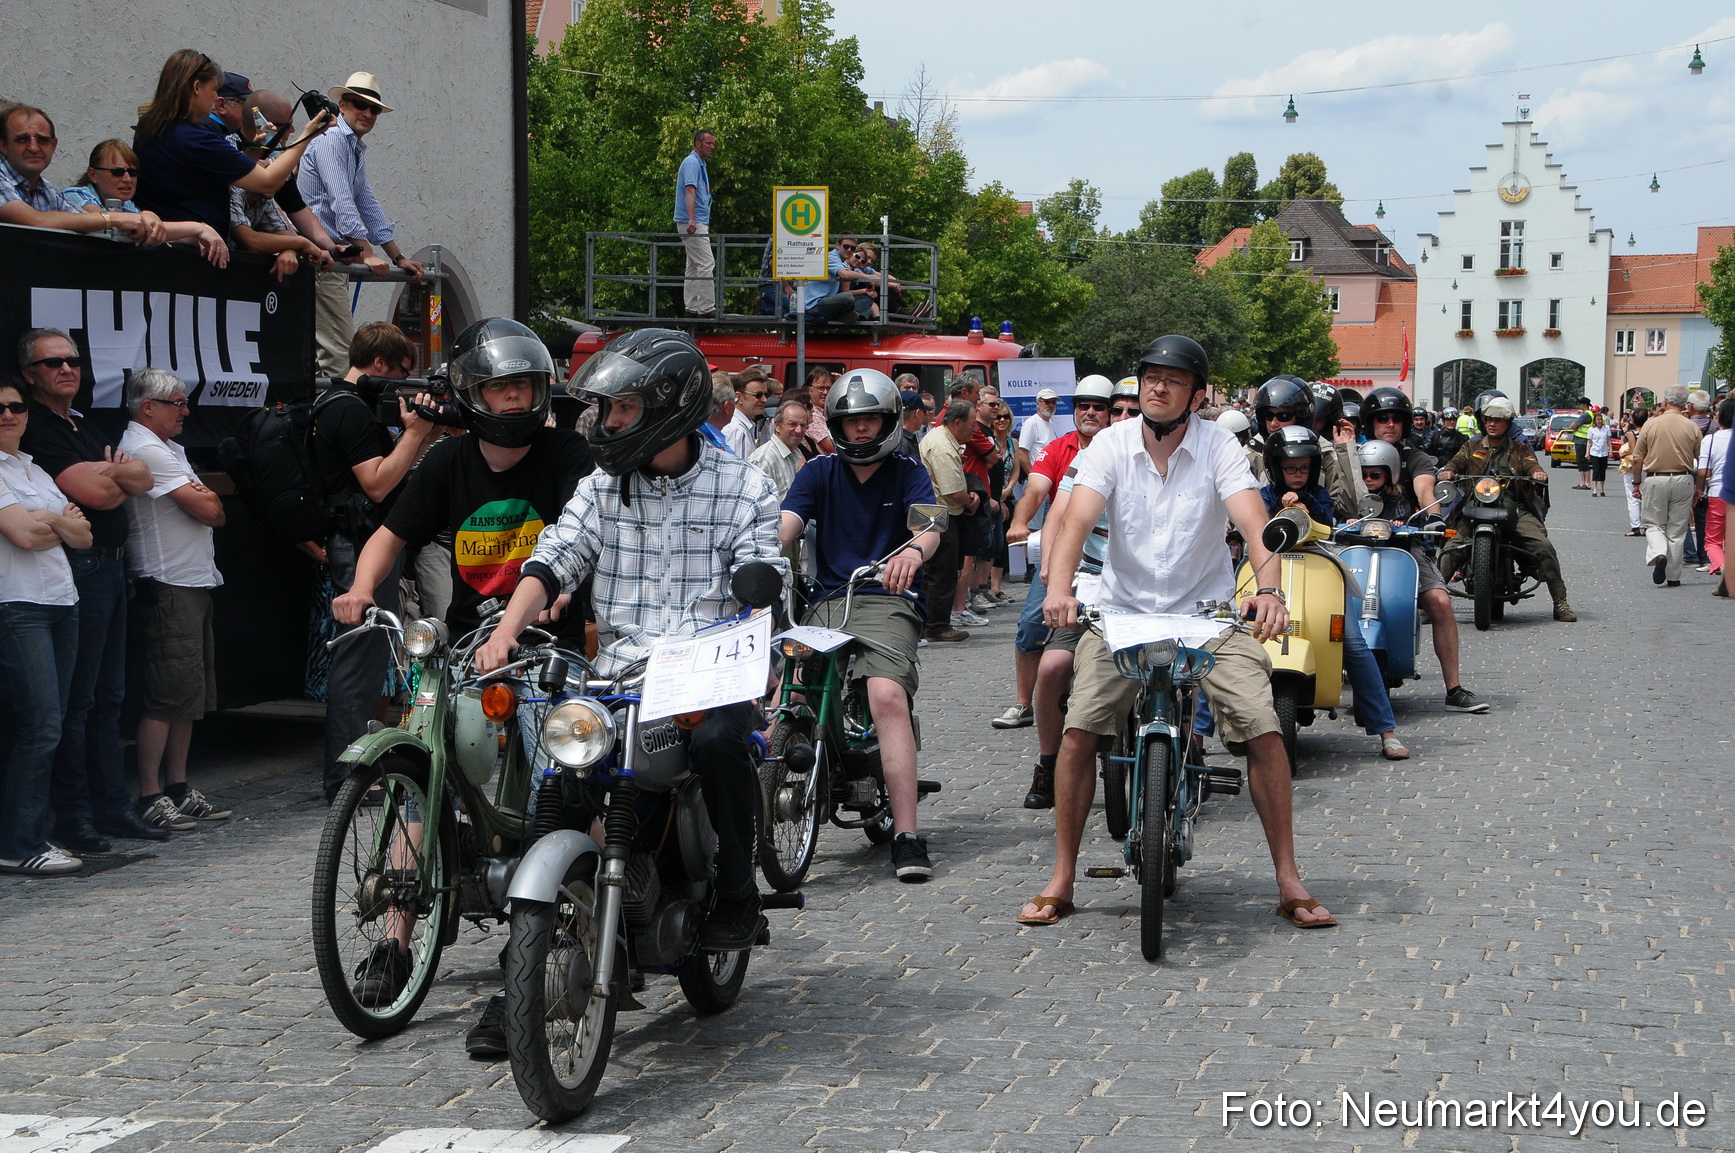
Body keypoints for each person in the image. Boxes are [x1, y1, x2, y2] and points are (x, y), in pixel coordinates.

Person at [474, 327, 784, 949]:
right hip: (620, 674)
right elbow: (554, 557)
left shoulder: (744, 487)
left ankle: (736, 891)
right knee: (558, 783)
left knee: (723, 743)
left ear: (670, 406)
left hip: (707, 672)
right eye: (607, 409)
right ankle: (522, 961)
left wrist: (758, 606)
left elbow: (764, 574)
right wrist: (506, 632)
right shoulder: (602, 486)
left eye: (622, 408)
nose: (608, 423)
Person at [332, 319, 591, 1053]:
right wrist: (358, 585)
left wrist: (566, 592)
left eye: (524, 386)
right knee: (419, 768)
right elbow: (393, 533)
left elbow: (583, 531)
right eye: (499, 387)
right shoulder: (447, 461)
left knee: (552, 784)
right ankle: (394, 940)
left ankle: (527, 960)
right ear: (472, 393)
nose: (513, 400)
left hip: (546, 645)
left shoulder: (565, 453)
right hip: (466, 643)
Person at [1020, 335, 1334, 931]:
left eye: (1174, 379)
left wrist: (1267, 591)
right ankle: (1061, 875)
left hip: (1208, 612)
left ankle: (1289, 878)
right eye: (1150, 377)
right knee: (1081, 727)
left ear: (1196, 393)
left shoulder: (1219, 446)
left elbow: (1250, 518)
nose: (1159, 387)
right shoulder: (1109, 444)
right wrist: (1059, 590)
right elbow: (1077, 519)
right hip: (1122, 611)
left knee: (1264, 729)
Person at [780, 369, 941, 881]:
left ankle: (908, 835)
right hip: (828, 598)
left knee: (886, 695)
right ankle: (762, 807)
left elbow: (930, 525)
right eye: (852, 423)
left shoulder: (908, 469)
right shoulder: (817, 472)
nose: (862, 431)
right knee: (792, 693)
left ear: (888, 420)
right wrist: (760, 553)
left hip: (886, 597)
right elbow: (788, 522)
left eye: (871, 420)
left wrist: (914, 551)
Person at [17, 330, 169, 846]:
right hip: (78, 569)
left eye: (74, 360)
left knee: (110, 697)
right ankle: (76, 816)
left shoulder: (82, 423)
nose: (66, 369)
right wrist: (117, 474)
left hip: (113, 567)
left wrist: (118, 475)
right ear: (29, 374)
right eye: (52, 362)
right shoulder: (33, 425)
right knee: (77, 702)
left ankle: (111, 806)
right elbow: (97, 495)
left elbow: (143, 479)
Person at [312, 322, 441, 802]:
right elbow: (378, 483)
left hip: (362, 540)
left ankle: (358, 772)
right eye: (403, 372)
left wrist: (420, 438)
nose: (406, 385)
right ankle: (348, 777)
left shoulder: (342, 404)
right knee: (357, 663)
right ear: (380, 364)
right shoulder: (348, 409)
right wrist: (418, 433)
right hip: (358, 542)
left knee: (366, 665)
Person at [1008, 378, 1137, 806]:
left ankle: (1186, 743)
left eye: (1127, 412)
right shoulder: (1084, 458)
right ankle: (1048, 761)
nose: (1118, 420)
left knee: (1188, 670)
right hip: (1091, 584)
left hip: (1149, 594)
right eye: (1112, 411)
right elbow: (1055, 507)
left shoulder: (1173, 459)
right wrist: (1051, 569)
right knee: (1051, 667)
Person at [117, 369, 232, 830]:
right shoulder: (146, 449)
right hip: (167, 582)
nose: (186, 412)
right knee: (165, 695)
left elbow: (211, 507)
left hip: (192, 579)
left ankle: (178, 787)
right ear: (149, 407)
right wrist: (203, 497)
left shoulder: (168, 449)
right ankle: (150, 793)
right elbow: (211, 509)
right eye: (178, 404)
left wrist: (204, 498)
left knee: (189, 692)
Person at [1261, 428, 1408, 760]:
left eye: (1302, 468)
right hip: (1268, 568)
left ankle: (1387, 731)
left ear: (1313, 468)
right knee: (1229, 636)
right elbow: (1250, 526)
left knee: (1354, 644)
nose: (1296, 474)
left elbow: (1328, 523)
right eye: (1289, 468)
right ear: (1276, 468)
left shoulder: (1320, 497)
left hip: (1319, 565)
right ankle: (1198, 736)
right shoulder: (1263, 496)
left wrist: (1302, 508)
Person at [0, 376, 92, 876]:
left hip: (61, 598)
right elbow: (22, 535)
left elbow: (83, 535)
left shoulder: (32, 468)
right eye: (0, 409)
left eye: (16, 407)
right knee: (40, 726)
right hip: (18, 603)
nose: (9, 415)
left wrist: (50, 519)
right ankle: (20, 842)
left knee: (56, 720)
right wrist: (58, 519)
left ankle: (31, 833)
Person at [1359, 386, 1508, 691]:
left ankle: (1453, 688)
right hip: (1355, 547)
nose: (1390, 425)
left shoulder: (1416, 458)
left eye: (1396, 419)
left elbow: (1425, 487)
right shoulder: (1352, 454)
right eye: (1382, 419)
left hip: (1403, 544)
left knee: (1440, 602)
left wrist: (1435, 515)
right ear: (1370, 423)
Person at [997, 375, 1114, 739]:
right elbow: (1035, 491)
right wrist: (1019, 520)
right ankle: (1024, 702)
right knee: (1033, 624)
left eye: (1099, 407)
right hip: (1066, 559)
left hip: (1115, 566)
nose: (1090, 412)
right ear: (1074, 410)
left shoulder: (1123, 449)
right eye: (1083, 405)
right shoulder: (1058, 448)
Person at [133, 51, 331, 244]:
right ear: (196, 87)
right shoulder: (196, 138)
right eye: (213, 89)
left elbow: (198, 179)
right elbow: (268, 183)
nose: (215, 97)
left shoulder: (149, 128)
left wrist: (253, 151)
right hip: (191, 255)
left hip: (159, 247)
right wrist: (307, 136)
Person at [299, 70, 422, 376]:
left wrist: (397, 256)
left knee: (325, 351)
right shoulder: (332, 139)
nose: (367, 113)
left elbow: (367, 204)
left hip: (329, 258)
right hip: (321, 258)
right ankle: (333, 419)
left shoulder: (350, 145)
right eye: (358, 105)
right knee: (337, 352)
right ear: (342, 105)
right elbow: (343, 202)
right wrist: (366, 252)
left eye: (374, 109)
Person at [1439, 395, 1576, 619]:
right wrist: (1449, 470)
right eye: (1488, 419)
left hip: (1515, 508)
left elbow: (1533, 465)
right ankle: (1428, 604)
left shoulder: (1520, 449)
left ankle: (1560, 602)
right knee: (1450, 548)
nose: (1492, 424)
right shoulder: (1471, 445)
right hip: (1475, 505)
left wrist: (1537, 473)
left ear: (1508, 423)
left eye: (1498, 420)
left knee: (1542, 546)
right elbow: (1456, 461)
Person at [1, 106, 166, 244]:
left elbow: (89, 223)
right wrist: (114, 218)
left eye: (43, 140)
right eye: (22, 139)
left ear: (53, 146)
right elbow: (36, 222)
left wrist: (147, 217)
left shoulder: (45, 189)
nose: (34, 147)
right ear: (3, 145)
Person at [62, 139, 227, 266]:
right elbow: (118, 228)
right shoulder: (75, 195)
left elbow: (153, 231)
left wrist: (196, 237)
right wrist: (199, 228)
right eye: (117, 172)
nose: (127, 179)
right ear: (92, 174)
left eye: (133, 172)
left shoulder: (127, 204)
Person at [1630, 385, 1703, 588]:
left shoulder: (1651, 425)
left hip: (1656, 478)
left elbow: (1637, 458)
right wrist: (1698, 486)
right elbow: (1701, 460)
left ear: (1665, 401)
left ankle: (1658, 552)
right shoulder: (1692, 427)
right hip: (1683, 478)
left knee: (1653, 524)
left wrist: (1636, 483)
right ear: (1685, 404)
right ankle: (1673, 576)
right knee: (1677, 529)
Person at [917, 400, 975, 643]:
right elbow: (952, 491)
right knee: (943, 572)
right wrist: (971, 500)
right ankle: (936, 625)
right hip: (941, 515)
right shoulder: (942, 446)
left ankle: (931, 622)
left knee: (937, 572)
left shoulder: (942, 439)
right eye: (972, 424)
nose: (974, 429)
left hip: (936, 513)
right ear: (958, 423)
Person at [675, 129, 715, 318]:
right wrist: (692, 219)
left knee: (693, 265)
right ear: (698, 144)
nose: (712, 147)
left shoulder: (700, 164)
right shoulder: (692, 163)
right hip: (693, 221)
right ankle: (706, 309)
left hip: (695, 220)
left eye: (713, 143)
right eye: (709, 143)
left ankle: (691, 308)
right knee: (707, 263)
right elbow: (689, 190)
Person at [801, 236, 877, 323]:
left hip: (829, 301)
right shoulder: (831, 258)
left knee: (865, 298)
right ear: (838, 246)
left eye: (852, 248)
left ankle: (852, 316)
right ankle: (842, 316)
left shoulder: (850, 267)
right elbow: (845, 276)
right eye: (846, 246)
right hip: (814, 305)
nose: (849, 250)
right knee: (847, 297)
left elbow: (877, 276)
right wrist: (866, 278)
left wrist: (894, 283)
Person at [1697, 400, 1731, 579]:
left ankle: (1724, 568)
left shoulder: (1710, 440)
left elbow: (1703, 471)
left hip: (1717, 492)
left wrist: (1698, 490)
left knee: (1712, 541)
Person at [724, 373, 769, 458]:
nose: (764, 400)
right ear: (738, 397)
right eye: (758, 395)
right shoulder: (736, 430)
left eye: (766, 395)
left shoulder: (744, 427)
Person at [1017, 388, 1060, 474]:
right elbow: (1021, 453)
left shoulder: (1051, 423)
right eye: (1047, 402)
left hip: (1050, 476)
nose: (1051, 405)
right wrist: (1033, 476)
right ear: (1038, 404)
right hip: (1038, 478)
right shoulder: (1031, 423)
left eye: (1053, 402)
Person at [1620, 409, 1648, 536]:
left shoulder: (1632, 433)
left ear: (1633, 420)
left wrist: (1626, 432)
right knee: (1646, 497)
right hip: (1648, 465)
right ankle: (1647, 525)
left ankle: (1635, 526)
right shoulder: (1649, 432)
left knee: (1633, 497)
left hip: (1634, 466)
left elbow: (1633, 450)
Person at [803, 368, 836, 455]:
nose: (825, 392)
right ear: (809, 389)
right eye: (820, 388)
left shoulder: (828, 411)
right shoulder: (811, 415)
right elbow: (832, 446)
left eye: (829, 388)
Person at [1586, 411, 1613, 497]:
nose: (1599, 421)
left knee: (1602, 471)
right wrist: (1587, 452)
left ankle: (1602, 489)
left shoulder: (1607, 428)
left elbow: (1609, 440)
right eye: (1598, 420)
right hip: (1594, 452)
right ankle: (1594, 489)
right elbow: (1589, 442)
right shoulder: (1591, 429)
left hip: (1604, 452)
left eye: (1601, 419)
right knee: (1596, 471)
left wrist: (1611, 450)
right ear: (1595, 421)